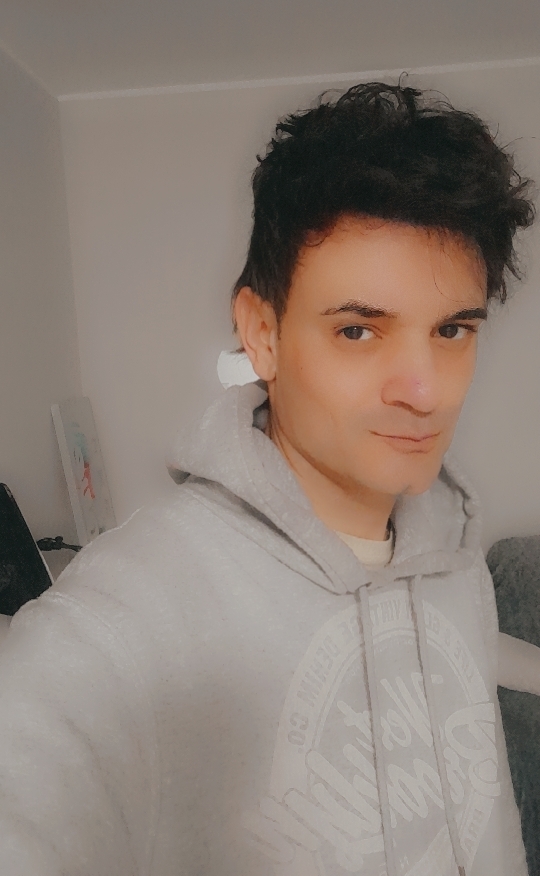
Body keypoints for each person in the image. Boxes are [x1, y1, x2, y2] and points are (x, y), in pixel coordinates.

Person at [0, 82, 539, 876]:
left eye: (452, 329)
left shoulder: (453, 555)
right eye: (358, 331)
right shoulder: (117, 631)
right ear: (262, 333)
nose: (425, 390)